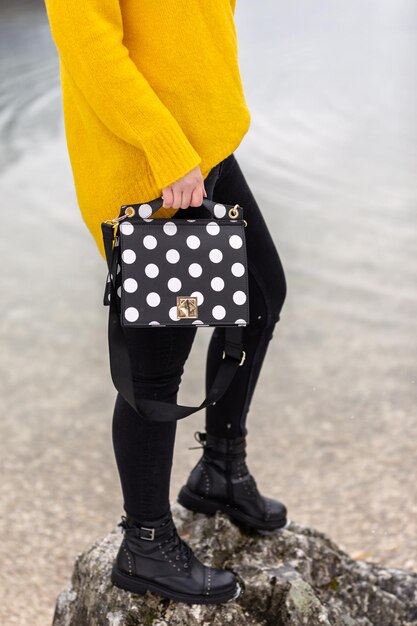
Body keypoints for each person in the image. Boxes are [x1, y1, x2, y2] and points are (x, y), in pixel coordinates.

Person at [44, 0, 289, 605]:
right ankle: (146, 542)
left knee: (261, 296)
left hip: (203, 150)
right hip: (153, 169)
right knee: (157, 369)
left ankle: (221, 469)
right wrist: (165, 148)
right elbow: (91, 49)